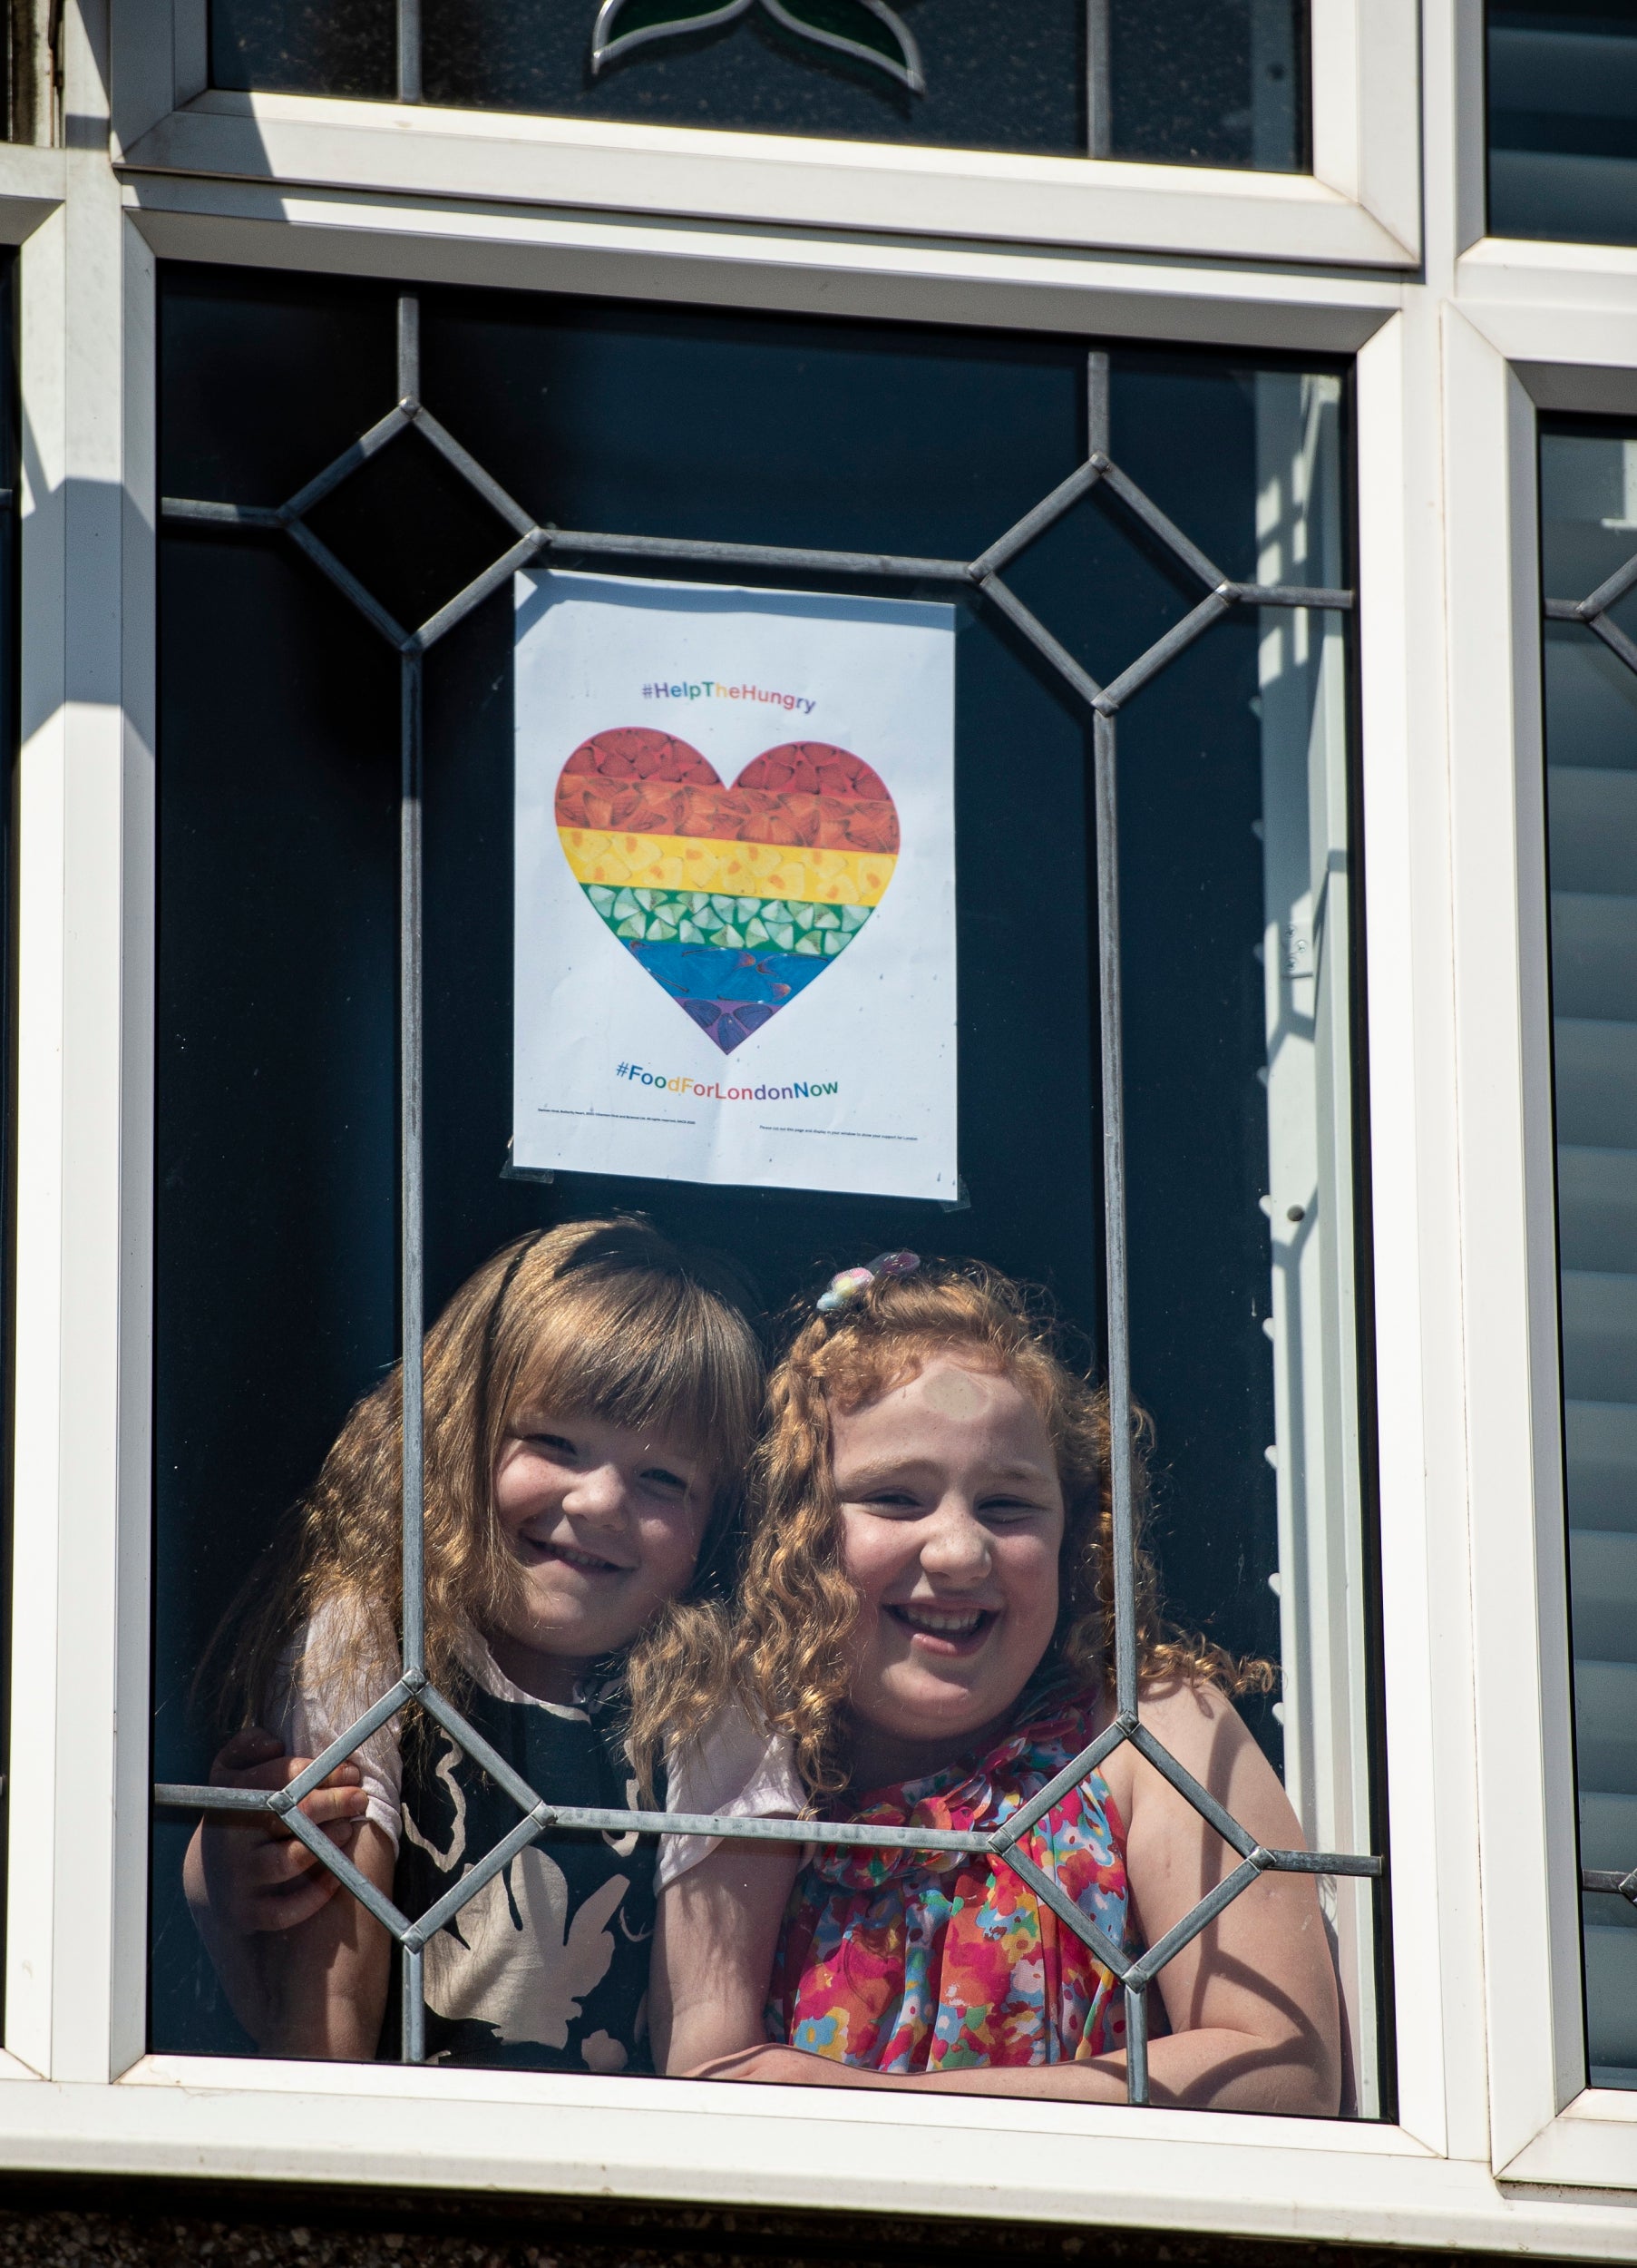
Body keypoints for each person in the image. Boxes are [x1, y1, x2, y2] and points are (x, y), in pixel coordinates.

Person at [696, 1255, 1342, 2113]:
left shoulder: (1141, 1733)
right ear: (792, 1529)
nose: (959, 1552)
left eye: (1007, 1508)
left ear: (1076, 1532)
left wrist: (882, 2110)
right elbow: (705, 2079)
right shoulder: (742, 1749)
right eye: (894, 1498)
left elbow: (1281, 2070)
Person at [184, 1217, 801, 2074]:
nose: (598, 1504)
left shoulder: (709, 1702)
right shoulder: (373, 1643)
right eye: (554, 1443)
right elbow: (321, 2026)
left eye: (663, 1478)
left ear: (718, 1523)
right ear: (459, 1439)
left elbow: (710, 2048)